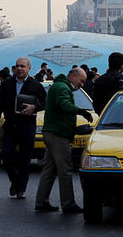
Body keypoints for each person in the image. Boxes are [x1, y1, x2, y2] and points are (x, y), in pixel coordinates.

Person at [35, 68, 92, 213]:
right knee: (65, 170)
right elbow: (63, 105)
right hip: (58, 135)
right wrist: (82, 112)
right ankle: (68, 203)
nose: (82, 85)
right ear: (73, 76)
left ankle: (41, 201)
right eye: (81, 81)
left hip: (52, 132)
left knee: (49, 170)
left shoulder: (58, 85)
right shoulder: (62, 87)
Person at [0, 56, 46, 199]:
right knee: (6, 155)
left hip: (27, 126)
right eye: (17, 66)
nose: (20, 69)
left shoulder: (36, 85)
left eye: (23, 66)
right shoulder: (7, 84)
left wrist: (34, 107)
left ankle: (21, 188)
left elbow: (45, 102)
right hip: (10, 125)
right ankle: (15, 180)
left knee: (24, 159)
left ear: (29, 68)